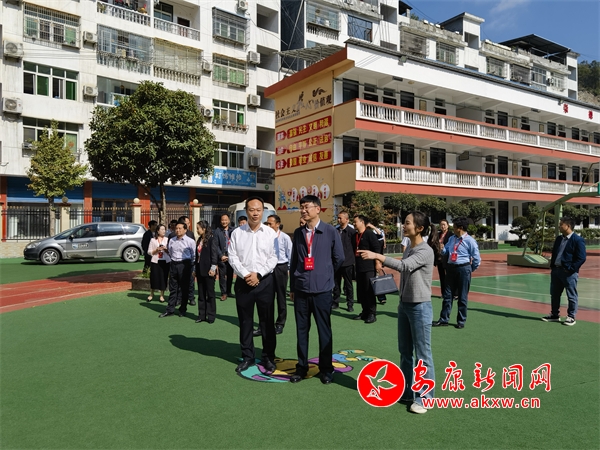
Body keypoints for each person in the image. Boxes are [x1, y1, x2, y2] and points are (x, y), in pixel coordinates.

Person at [358, 211, 439, 414]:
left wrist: (378, 256)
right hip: (404, 305)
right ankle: (407, 391)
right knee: (405, 352)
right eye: (404, 222)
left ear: (419, 228)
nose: (404, 225)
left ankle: (425, 398)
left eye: (407, 223)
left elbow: (404, 266)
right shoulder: (410, 247)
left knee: (423, 355)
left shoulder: (425, 250)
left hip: (420, 306)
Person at [289, 195, 344, 384]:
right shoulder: (298, 233)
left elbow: (339, 258)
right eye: (301, 207)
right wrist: (293, 286)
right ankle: (301, 367)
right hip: (301, 289)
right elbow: (294, 261)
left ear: (318, 209)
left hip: (322, 291)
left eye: (307, 207)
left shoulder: (330, 231)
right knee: (301, 330)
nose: (303, 210)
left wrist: (325, 273)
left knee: (324, 330)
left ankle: (326, 369)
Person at [228, 197, 278, 374]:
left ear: (263, 211)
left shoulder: (271, 233)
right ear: (246, 211)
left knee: (267, 322)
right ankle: (248, 356)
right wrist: (246, 274)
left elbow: (274, 257)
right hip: (244, 282)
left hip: (265, 282)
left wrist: (259, 274)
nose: (255, 213)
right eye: (251, 210)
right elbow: (232, 257)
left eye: (258, 210)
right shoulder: (237, 233)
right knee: (245, 321)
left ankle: (268, 357)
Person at [433, 217, 481, 329]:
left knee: (462, 296)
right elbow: (446, 251)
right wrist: (442, 249)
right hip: (451, 268)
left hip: (464, 268)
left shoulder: (470, 241)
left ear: (460, 228)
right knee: (447, 295)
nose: (453, 228)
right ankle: (444, 319)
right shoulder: (452, 239)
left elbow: (477, 259)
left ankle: (461, 321)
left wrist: (469, 269)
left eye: (454, 226)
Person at [542, 216, 586, 326]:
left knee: (571, 295)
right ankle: (554, 315)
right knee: (554, 294)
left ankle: (571, 316)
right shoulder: (559, 239)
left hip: (568, 273)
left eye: (561, 225)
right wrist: (553, 266)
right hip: (556, 271)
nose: (559, 227)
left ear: (568, 226)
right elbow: (555, 253)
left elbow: (581, 258)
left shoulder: (577, 240)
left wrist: (571, 269)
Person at [159, 221, 196, 318]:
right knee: (173, 288)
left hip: (185, 265)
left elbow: (194, 255)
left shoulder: (190, 241)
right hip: (174, 264)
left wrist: (192, 267)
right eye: (176, 228)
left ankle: (183, 309)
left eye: (180, 228)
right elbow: (170, 252)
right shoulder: (172, 240)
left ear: (185, 230)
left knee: (184, 288)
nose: (178, 230)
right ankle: (170, 309)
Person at [266, 214, 292, 335]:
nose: (268, 225)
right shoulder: (264, 236)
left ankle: (280, 323)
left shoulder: (285, 237)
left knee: (281, 297)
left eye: (270, 223)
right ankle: (266, 323)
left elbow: (290, 254)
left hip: (281, 267)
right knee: (267, 297)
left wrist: (288, 269)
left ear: (277, 224)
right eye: (267, 223)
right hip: (267, 268)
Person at [353, 215, 382, 324]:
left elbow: (377, 248)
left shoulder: (369, 234)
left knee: (369, 290)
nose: (354, 224)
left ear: (362, 222)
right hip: (359, 267)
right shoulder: (355, 235)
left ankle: (372, 313)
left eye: (355, 222)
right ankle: (364, 312)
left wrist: (378, 262)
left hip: (369, 267)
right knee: (361, 291)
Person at [193, 220, 219, 324]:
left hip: (209, 271)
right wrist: (195, 269)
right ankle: (201, 315)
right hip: (200, 270)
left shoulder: (212, 239)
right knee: (201, 294)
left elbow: (214, 255)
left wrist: (213, 268)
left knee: (210, 294)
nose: (197, 230)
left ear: (204, 229)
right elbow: (197, 256)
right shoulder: (199, 240)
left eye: (198, 228)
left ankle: (211, 316)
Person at [333, 211, 356, 312]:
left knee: (348, 284)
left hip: (348, 262)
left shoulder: (352, 232)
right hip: (337, 262)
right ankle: (335, 301)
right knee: (336, 283)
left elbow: (355, 246)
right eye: (338, 218)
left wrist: (352, 259)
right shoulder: (335, 231)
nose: (338, 220)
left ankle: (350, 304)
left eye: (340, 218)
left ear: (347, 219)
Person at [214, 213, 235, 301]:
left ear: (229, 220)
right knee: (222, 276)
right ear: (220, 221)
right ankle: (224, 293)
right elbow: (216, 245)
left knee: (230, 275)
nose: (224, 221)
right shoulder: (217, 231)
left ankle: (229, 291)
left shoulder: (233, 231)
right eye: (222, 220)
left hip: (231, 256)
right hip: (222, 256)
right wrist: (221, 255)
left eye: (226, 220)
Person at [147, 224, 170, 302]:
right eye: (162, 229)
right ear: (158, 231)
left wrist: (165, 249)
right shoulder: (153, 240)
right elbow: (149, 251)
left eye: (164, 229)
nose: (164, 231)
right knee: (154, 277)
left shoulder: (167, 240)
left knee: (164, 277)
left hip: (165, 261)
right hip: (155, 261)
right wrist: (156, 250)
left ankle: (162, 295)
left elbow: (171, 251)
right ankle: (151, 294)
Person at [178, 215, 196, 307]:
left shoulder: (190, 234)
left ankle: (191, 297)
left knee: (190, 281)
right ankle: (179, 298)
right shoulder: (174, 235)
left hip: (189, 262)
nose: (189, 224)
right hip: (178, 262)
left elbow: (194, 249)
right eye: (187, 223)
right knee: (179, 281)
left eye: (189, 223)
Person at [437, 219, 451, 297]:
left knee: (450, 276)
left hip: (448, 257)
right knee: (442, 276)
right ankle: (443, 293)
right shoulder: (438, 235)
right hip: (440, 258)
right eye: (441, 225)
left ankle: (453, 293)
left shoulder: (451, 235)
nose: (442, 226)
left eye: (444, 224)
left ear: (447, 225)